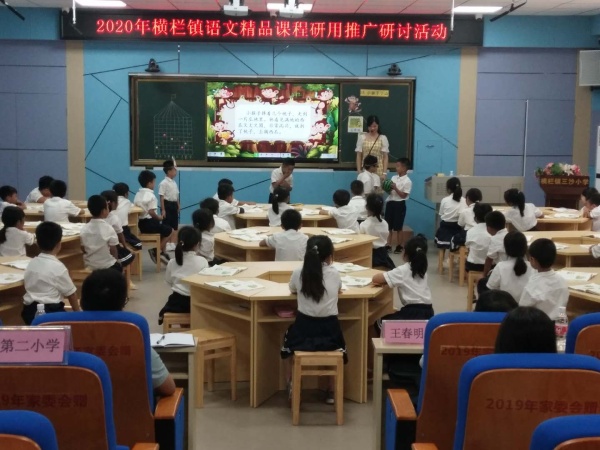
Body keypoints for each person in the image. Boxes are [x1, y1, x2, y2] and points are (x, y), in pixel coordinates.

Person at [80, 269, 176, 396]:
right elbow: (168, 388)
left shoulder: (63, 335)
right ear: (122, 302)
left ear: (82, 302)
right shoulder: (133, 336)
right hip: (133, 409)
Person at [281, 235, 346, 404]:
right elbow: (338, 288)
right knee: (336, 346)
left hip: (303, 333)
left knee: (287, 338)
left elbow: (292, 288)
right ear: (330, 255)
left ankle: (292, 384)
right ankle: (331, 390)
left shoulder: (299, 272)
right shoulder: (335, 274)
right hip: (331, 334)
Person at [372, 235, 433, 335]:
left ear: (406, 253)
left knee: (379, 323)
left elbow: (376, 279)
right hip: (428, 312)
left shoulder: (403, 270)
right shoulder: (422, 270)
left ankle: (387, 346)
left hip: (412, 313)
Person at [22, 222, 80, 324]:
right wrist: (78, 314)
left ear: (37, 243)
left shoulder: (32, 263)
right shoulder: (58, 267)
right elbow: (71, 295)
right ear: (58, 244)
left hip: (29, 310)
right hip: (51, 312)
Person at [159, 226, 208, 324]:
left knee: (171, 301)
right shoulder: (202, 261)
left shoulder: (172, 262)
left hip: (177, 303)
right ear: (197, 244)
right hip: (196, 302)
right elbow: (204, 283)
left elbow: (169, 282)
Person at [520, 238, 568, 320]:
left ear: (532, 260)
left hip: (539, 325)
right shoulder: (562, 281)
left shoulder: (533, 286)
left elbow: (522, 309)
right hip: (560, 322)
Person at [134, 170, 174, 265]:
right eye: (154, 182)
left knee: (164, 230)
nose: (154, 184)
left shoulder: (138, 194)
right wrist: (159, 218)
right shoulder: (151, 196)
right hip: (150, 223)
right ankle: (156, 251)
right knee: (170, 231)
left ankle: (162, 252)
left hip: (140, 224)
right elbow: (151, 212)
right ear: (149, 183)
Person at [486, 232, 533, 301]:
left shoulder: (500, 267)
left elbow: (491, 288)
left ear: (505, 248)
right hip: (527, 306)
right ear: (526, 248)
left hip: (505, 305)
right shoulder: (532, 267)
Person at [80, 195, 121, 272]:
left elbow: (83, 248)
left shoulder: (84, 228)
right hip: (106, 265)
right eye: (107, 207)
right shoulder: (108, 228)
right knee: (119, 266)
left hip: (90, 265)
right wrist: (115, 260)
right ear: (103, 211)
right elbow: (113, 249)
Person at [359, 193, 395, 270]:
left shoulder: (365, 224)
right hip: (384, 255)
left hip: (371, 256)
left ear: (367, 207)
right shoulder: (385, 223)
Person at [100, 190, 135, 268]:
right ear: (113, 203)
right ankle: (121, 272)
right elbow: (120, 235)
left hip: (98, 250)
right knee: (131, 254)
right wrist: (125, 247)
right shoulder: (114, 218)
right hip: (111, 249)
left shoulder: (96, 218)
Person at [478, 211, 508, 294]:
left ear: (489, 228)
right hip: (517, 269)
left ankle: (484, 301)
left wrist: (484, 275)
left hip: (503, 272)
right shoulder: (510, 234)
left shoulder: (496, 239)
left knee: (482, 283)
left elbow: (489, 259)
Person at [385, 158, 412, 253]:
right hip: (390, 202)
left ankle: (399, 245)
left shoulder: (407, 181)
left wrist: (395, 188)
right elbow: (390, 191)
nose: (396, 168)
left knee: (398, 227)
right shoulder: (394, 177)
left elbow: (403, 195)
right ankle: (388, 245)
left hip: (399, 204)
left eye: (398, 166)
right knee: (388, 226)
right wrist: (386, 187)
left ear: (404, 168)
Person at [434, 177, 466, 249]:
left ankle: (442, 254)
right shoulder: (464, 200)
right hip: (458, 231)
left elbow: (441, 214)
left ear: (448, 189)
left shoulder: (444, 200)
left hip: (445, 231)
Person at [355, 115, 389, 181]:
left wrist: (384, 173)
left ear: (378, 126)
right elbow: (359, 156)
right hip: (366, 170)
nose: (372, 128)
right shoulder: (362, 138)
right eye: (370, 126)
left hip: (379, 170)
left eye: (374, 126)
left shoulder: (383, 138)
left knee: (377, 186)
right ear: (367, 126)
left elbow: (385, 157)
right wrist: (359, 171)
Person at [112, 182, 142, 251]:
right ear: (126, 194)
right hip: (123, 230)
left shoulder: (112, 202)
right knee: (138, 243)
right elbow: (132, 208)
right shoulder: (127, 202)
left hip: (111, 229)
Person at [158, 159, 180, 251]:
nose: (176, 172)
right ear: (169, 171)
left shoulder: (174, 182)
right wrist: (163, 209)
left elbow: (176, 195)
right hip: (167, 205)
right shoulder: (163, 183)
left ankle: (173, 243)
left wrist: (178, 205)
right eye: (174, 170)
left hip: (174, 204)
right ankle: (166, 243)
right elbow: (162, 197)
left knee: (175, 225)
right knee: (167, 224)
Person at [464, 203, 492, 272]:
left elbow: (468, 247)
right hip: (491, 266)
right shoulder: (494, 231)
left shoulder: (470, 231)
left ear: (475, 218)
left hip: (473, 265)